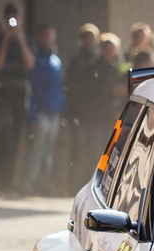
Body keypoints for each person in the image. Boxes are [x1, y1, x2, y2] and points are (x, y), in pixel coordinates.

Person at [0, 3, 35, 194]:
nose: (13, 23)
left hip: (20, 99)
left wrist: (20, 39)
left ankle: (7, 185)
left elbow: (30, 64)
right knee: (3, 141)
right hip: (1, 99)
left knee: (15, 143)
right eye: (9, 19)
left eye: (16, 19)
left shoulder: (26, 41)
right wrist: (6, 39)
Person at [22, 25, 65, 195]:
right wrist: (32, 113)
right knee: (36, 149)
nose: (48, 39)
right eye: (45, 36)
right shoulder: (35, 59)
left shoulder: (56, 60)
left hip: (54, 112)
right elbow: (32, 88)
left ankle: (45, 185)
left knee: (48, 152)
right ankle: (27, 183)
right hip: (40, 111)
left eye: (51, 36)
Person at [65, 23, 102, 189]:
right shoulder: (76, 61)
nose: (90, 41)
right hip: (79, 112)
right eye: (87, 38)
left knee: (94, 152)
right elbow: (71, 87)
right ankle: (74, 185)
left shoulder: (99, 61)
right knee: (77, 151)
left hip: (95, 114)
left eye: (92, 38)